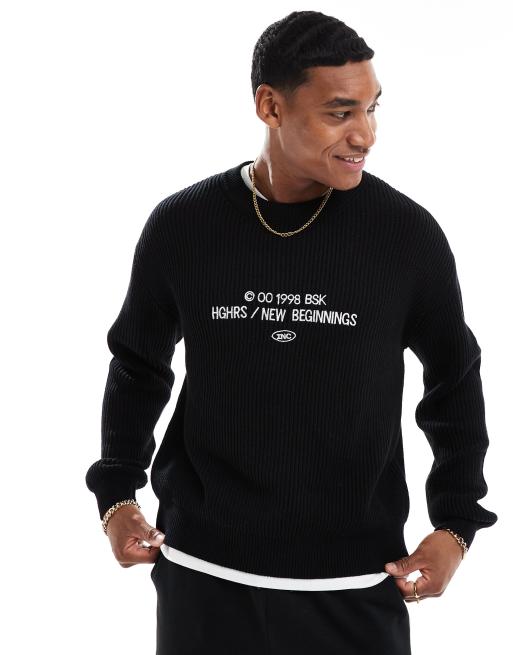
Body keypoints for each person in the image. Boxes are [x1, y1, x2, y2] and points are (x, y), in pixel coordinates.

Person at [85, 10, 498, 654]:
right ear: (270, 106)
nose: (365, 134)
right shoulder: (184, 226)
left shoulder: (404, 237)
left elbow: (454, 378)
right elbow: (138, 364)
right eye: (339, 113)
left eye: (372, 108)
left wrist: (457, 525)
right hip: (202, 577)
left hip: (355, 583)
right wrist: (116, 494)